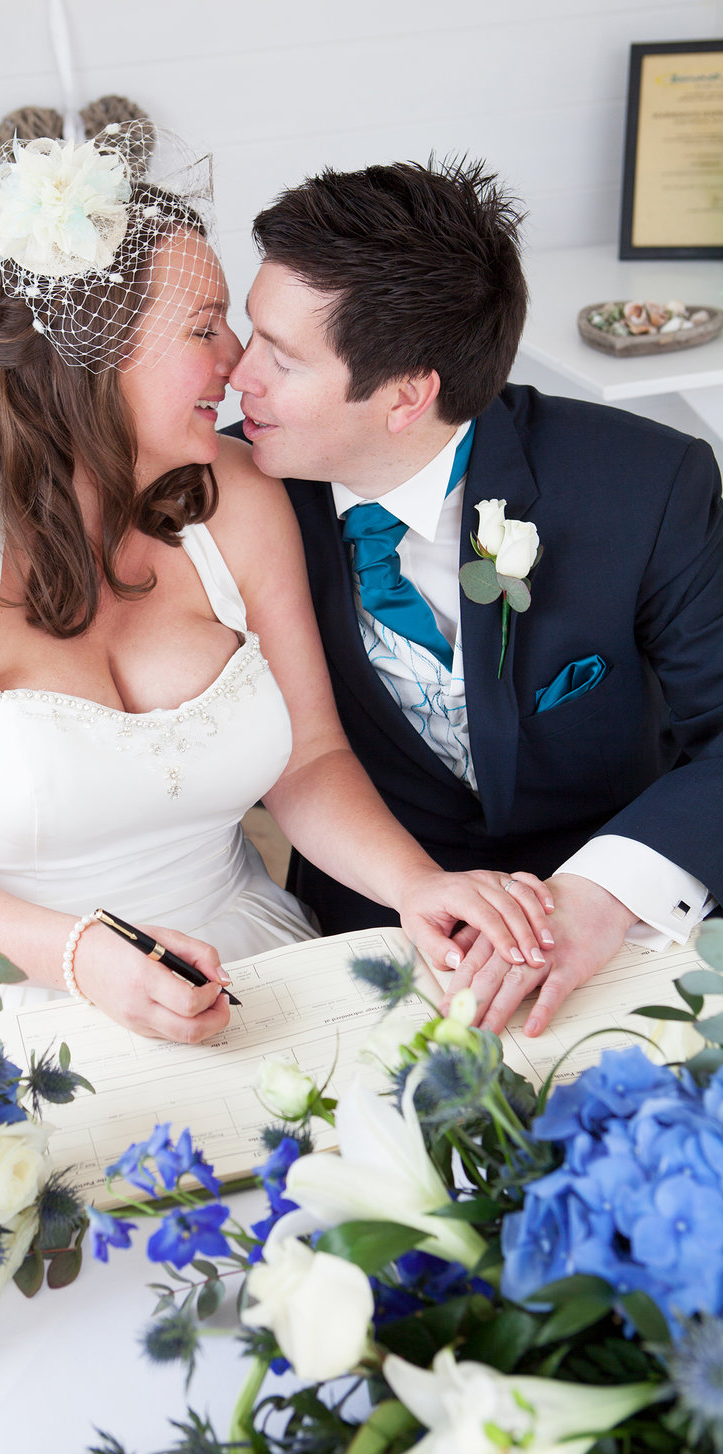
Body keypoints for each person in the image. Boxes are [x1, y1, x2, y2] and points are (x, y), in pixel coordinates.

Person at [0, 127, 552, 1043]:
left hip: (237, 954)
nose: (237, 358)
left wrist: (414, 885)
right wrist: (84, 955)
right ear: (91, 361)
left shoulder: (241, 499)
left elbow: (309, 759)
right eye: (204, 328)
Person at [220, 157, 723, 1038]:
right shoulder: (227, 500)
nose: (238, 376)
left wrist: (601, 897)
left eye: (281, 357)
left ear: (409, 395)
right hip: (367, 928)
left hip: (623, 915)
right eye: (249, 333)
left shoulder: (646, 484)